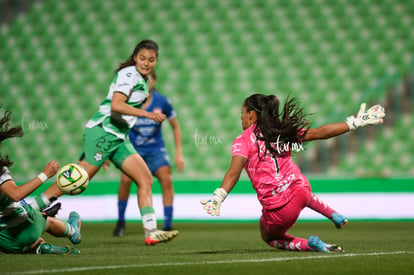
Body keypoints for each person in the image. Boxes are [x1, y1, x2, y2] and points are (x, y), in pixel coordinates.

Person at [30, 39, 178, 245]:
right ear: (135, 57)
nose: (146, 62)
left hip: (118, 137)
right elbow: (117, 105)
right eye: (142, 58)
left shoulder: (142, 79)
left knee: (145, 179)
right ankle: (31, 208)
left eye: (151, 60)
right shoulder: (129, 74)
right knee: (76, 181)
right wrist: (148, 115)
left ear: (156, 61)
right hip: (103, 132)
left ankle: (151, 231)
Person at [201, 94, 385, 252]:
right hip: (301, 189)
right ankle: (333, 214)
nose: (241, 118)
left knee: (268, 236)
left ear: (251, 114)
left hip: (280, 207)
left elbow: (234, 172)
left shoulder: (243, 140)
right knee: (300, 190)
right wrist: (355, 122)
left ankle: (309, 245)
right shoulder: (281, 130)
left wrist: (218, 197)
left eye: (242, 113)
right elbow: (319, 133)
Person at [0, 106, 81, 255]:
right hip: (24, 229)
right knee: (46, 221)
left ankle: (40, 247)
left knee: (24, 213)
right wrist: (45, 175)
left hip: (4, 243)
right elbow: (15, 195)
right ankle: (72, 231)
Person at [112, 71, 184, 237]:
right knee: (125, 179)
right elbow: (115, 125)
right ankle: (121, 221)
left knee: (166, 178)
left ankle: (167, 223)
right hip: (133, 149)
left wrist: (179, 153)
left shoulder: (162, 101)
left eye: (149, 78)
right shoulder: (127, 101)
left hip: (155, 150)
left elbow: (175, 126)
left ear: (154, 81)